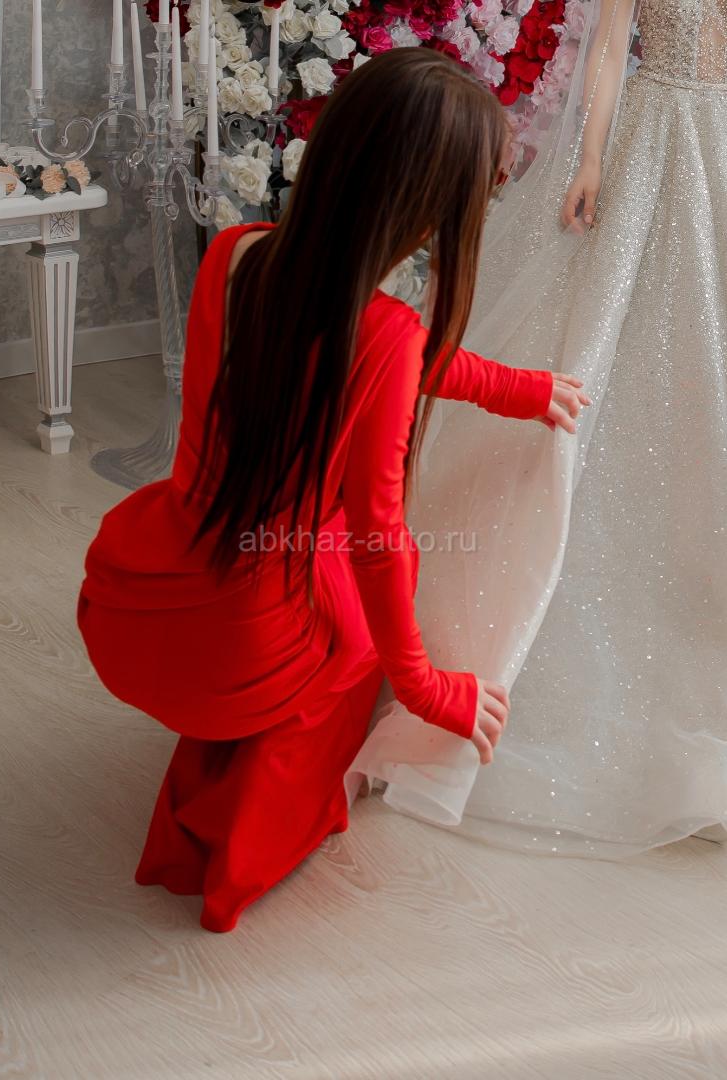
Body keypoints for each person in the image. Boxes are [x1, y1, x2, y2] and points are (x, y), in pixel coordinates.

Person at [77, 49, 585, 932]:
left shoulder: (236, 255)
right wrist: (426, 689)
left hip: (139, 596)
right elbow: (379, 536)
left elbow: (360, 354)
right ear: (430, 208)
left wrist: (516, 388)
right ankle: (241, 850)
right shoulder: (383, 334)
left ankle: (207, 804)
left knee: (316, 600)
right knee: (356, 639)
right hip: (245, 636)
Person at [352, 0, 727, 856]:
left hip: (718, 144)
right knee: (607, 333)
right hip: (652, 134)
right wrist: (591, 156)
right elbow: (608, 50)